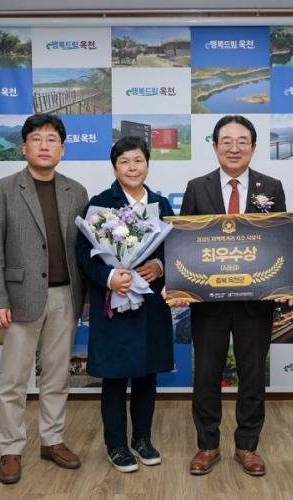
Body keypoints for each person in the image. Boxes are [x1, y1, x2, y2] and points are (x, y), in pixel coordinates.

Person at [0, 113, 89, 485]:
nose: (45, 146)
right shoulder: (4, 190)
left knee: (56, 376)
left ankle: (52, 440)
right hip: (18, 298)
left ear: (62, 149)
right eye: (37, 139)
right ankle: (10, 448)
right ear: (24, 147)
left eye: (52, 139)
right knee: (13, 380)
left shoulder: (77, 191)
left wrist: (86, 295)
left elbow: (85, 250)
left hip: (66, 296)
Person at [179, 115, 286, 477]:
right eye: (226, 141)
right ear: (215, 147)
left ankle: (247, 446)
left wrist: (280, 283)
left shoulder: (272, 187)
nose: (234, 148)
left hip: (255, 303)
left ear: (253, 147)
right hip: (207, 304)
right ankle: (207, 445)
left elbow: (277, 240)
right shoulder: (197, 188)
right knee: (206, 375)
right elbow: (184, 244)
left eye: (242, 141)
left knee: (252, 375)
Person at [75, 136, 174, 473]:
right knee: (115, 377)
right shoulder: (100, 204)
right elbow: (84, 254)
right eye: (124, 162)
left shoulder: (160, 203)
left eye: (138, 161)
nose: (132, 168)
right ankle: (116, 444)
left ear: (147, 164)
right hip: (113, 303)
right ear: (114, 168)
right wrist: (109, 277)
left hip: (150, 303)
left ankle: (142, 438)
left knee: (147, 374)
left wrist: (159, 266)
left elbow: (175, 247)